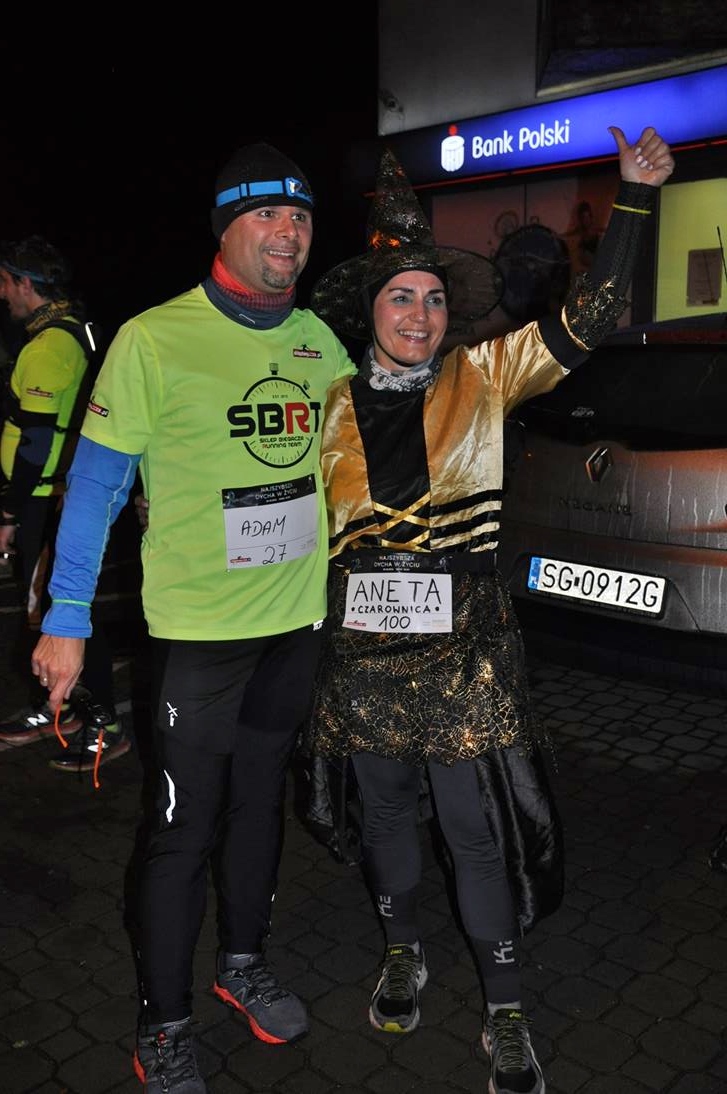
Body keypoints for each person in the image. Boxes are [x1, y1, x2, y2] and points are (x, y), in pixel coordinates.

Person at [302, 124, 675, 1094]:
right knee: (385, 815)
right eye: (401, 296)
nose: (420, 313)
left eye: (433, 298)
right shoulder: (327, 406)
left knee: (472, 829)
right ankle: (400, 949)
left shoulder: (483, 374)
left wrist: (634, 196)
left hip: (463, 649)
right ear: (369, 310)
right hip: (361, 650)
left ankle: (505, 1007)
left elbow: (593, 314)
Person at [30, 142, 357, 1093]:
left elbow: (356, 460)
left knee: (259, 806)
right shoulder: (153, 338)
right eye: (266, 214)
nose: (288, 233)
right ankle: (163, 1022)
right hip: (197, 641)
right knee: (182, 829)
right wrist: (66, 617)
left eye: (300, 216)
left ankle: (241, 964)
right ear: (225, 228)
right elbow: (96, 486)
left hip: (293, 627)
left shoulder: (319, 341)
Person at [0, 236, 125, 773]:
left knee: (66, 609)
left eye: (5, 282)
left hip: (48, 498)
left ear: (26, 283)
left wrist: (10, 510)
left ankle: (103, 723)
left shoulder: (52, 344)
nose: (2, 293)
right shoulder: (68, 329)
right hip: (48, 495)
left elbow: (36, 441)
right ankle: (61, 707)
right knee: (47, 607)